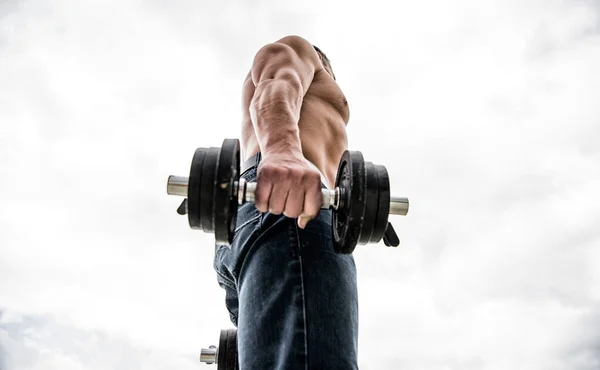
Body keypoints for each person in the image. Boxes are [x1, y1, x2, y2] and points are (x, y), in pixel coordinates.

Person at [213, 35, 358, 369]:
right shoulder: (299, 52)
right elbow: (278, 81)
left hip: (263, 215)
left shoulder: (314, 109)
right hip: (290, 210)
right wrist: (282, 148)